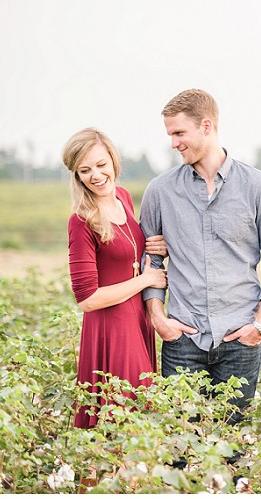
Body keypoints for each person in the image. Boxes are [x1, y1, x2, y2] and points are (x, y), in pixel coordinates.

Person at [140, 89, 261, 423]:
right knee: (179, 448)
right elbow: (150, 260)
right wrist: (159, 320)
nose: (173, 143)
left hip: (241, 339)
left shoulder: (259, 187)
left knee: (231, 447)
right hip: (183, 338)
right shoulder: (160, 191)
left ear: (206, 126)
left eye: (179, 133)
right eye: (170, 135)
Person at [62, 127, 168, 428]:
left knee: (140, 414)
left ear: (113, 160)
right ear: (77, 176)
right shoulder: (81, 221)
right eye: (85, 170)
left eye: (100, 164)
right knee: (127, 416)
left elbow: (132, 249)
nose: (95, 175)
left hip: (137, 319)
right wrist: (146, 280)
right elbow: (87, 299)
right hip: (112, 326)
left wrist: (156, 246)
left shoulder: (122, 197)